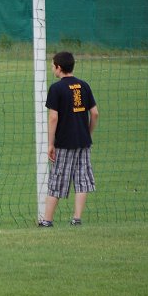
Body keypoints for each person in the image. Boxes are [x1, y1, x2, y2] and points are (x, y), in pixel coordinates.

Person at [40, 51, 99, 227]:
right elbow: (95, 113)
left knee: (58, 179)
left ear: (59, 67)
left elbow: (53, 117)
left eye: (52, 65)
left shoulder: (56, 88)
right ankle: (76, 218)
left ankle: (47, 220)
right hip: (83, 141)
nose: (52, 68)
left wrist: (51, 143)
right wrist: (88, 132)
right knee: (82, 179)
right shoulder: (84, 85)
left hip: (64, 142)